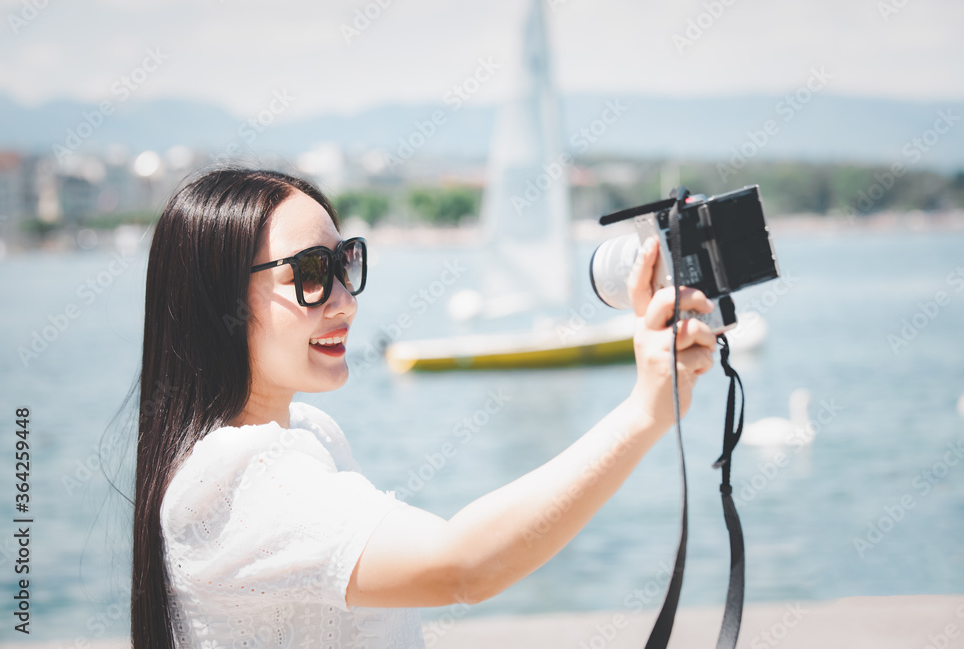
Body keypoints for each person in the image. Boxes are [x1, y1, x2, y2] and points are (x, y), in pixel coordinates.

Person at [131, 167, 716, 648]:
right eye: (311, 272)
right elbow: (462, 566)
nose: (344, 303)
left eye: (345, 263)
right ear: (218, 300)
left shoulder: (311, 433)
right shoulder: (233, 480)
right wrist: (643, 413)